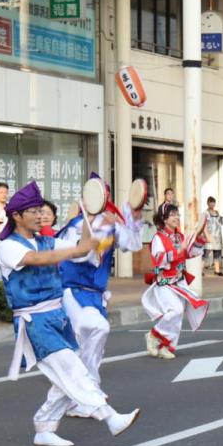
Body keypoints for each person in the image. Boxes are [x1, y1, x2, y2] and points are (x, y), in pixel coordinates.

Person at [0, 180, 139, 446]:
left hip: (58, 316)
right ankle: (109, 417)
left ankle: (44, 426)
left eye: (41, 210)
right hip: (34, 321)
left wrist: (91, 213)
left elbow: (83, 247)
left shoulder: (49, 240)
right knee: (71, 369)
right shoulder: (7, 245)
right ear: (16, 215)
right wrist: (75, 249)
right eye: (34, 211)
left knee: (65, 377)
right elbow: (37, 259)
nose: (41, 215)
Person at [55, 172, 143, 407]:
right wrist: (99, 232)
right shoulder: (74, 226)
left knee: (88, 345)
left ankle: (81, 395)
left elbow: (132, 244)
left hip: (95, 295)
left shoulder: (111, 225)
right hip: (72, 291)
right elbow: (81, 256)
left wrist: (133, 217)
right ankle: (87, 392)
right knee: (96, 329)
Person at [143, 202, 208, 359]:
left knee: (178, 316)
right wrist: (179, 251)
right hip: (164, 282)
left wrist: (199, 239)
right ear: (164, 218)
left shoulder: (179, 236)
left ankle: (166, 346)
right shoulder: (158, 237)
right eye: (172, 215)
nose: (176, 217)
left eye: (177, 214)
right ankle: (153, 335)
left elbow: (190, 253)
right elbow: (159, 259)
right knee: (175, 310)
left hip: (179, 282)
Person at [203, 197, 223, 276]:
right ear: (208, 203)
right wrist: (206, 235)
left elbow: (220, 223)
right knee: (206, 253)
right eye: (211, 202)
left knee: (217, 254)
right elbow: (203, 224)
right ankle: (200, 270)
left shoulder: (217, 212)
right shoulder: (205, 213)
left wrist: (221, 220)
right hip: (209, 235)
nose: (212, 204)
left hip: (217, 236)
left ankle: (217, 270)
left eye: (213, 202)